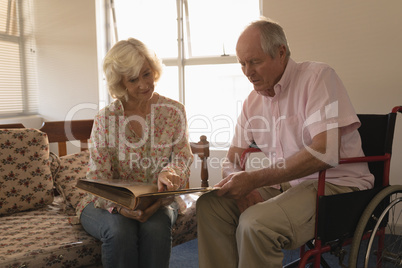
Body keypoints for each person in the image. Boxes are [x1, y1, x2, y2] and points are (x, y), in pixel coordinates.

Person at [196, 17, 374, 268]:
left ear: (281, 53)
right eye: (242, 63)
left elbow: (324, 152)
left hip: (336, 187)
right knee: (211, 206)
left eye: (255, 61)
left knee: (255, 224)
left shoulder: (317, 77)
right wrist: (240, 183)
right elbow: (231, 159)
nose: (247, 72)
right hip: (289, 187)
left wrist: (255, 180)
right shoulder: (252, 102)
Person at [76, 38, 193, 268]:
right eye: (133, 79)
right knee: (120, 229)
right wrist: (121, 207)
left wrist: (169, 173)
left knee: (157, 226)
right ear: (120, 82)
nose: (144, 84)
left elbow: (182, 156)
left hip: (158, 200)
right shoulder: (106, 118)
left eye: (147, 74)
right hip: (108, 202)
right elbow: (98, 177)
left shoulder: (174, 111)